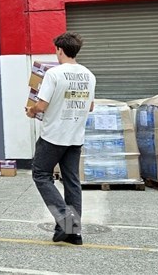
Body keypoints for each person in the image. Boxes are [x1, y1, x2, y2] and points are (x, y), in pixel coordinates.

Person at [26, 31, 96, 246]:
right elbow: (91, 106)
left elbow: (42, 105)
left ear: (60, 50)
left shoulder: (54, 74)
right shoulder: (89, 75)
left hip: (53, 135)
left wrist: (31, 111)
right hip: (75, 136)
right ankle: (74, 233)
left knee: (40, 175)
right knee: (72, 182)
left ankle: (67, 221)